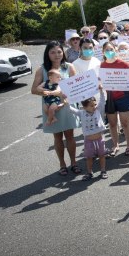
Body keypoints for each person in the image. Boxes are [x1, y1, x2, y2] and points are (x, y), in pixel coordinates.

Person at [31, 41, 81, 176]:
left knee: (70, 136)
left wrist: (66, 94)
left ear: (63, 52)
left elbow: (76, 87)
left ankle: (74, 163)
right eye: (52, 52)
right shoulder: (42, 69)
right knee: (57, 137)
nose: (57, 55)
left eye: (59, 51)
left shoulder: (69, 67)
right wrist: (49, 93)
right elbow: (34, 89)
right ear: (47, 54)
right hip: (52, 109)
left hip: (67, 106)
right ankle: (62, 165)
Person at [100, 42, 129, 156]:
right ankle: (115, 145)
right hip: (109, 98)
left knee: (125, 122)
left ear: (115, 50)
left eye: (111, 49)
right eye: (106, 50)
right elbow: (101, 81)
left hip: (123, 97)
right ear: (103, 52)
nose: (109, 52)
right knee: (112, 123)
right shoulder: (102, 66)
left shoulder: (124, 64)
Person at [69, 91, 108, 181]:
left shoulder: (98, 110)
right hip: (89, 141)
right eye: (91, 105)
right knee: (89, 158)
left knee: (102, 155)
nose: (94, 107)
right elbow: (70, 109)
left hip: (100, 139)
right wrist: (65, 100)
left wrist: (101, 91)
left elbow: (102, 101)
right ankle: (89, 172)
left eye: (94, 104)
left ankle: (103, 170)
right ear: (85, 106)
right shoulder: (81, 113)